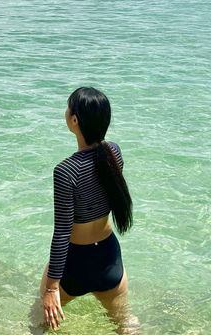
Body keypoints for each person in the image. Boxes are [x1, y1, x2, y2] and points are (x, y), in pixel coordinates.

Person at [39, 87, 136, 332]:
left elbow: (62, 233)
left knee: (39, 324)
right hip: (108, 256)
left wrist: (52, 289)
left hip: (75, 260)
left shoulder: (65, 171)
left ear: (74, 120)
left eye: (68, 107)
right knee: (127, 326)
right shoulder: (114, 152)